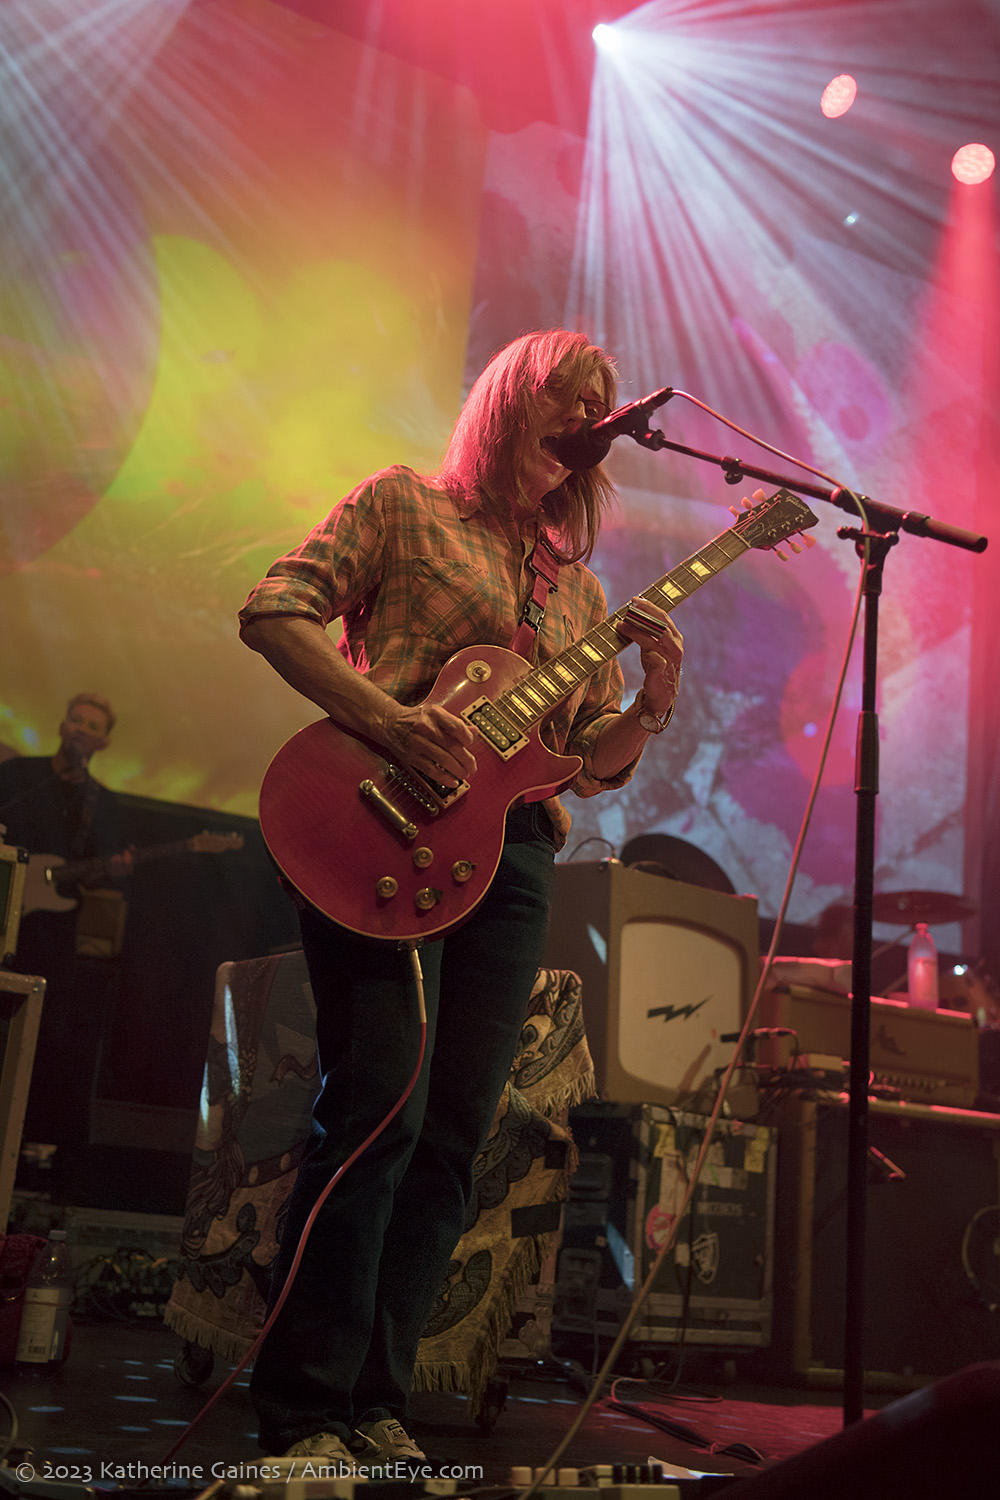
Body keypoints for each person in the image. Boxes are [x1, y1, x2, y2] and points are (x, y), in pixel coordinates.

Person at [238, 329, 684, 1468]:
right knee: (377, 1105)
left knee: (452, 1137)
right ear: (508, 403)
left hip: (515, 859)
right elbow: (274, 609)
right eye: (567, 400)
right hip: (376, 821)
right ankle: (302, 1413)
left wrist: (654, 701)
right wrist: (388, 721)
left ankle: (377, 1398)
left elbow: (585, 763)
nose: (586, 421)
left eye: (600, 411)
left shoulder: (575, 590)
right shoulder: (401, 505)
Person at [0, 694, 131, 1185]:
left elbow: (100, 875)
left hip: (51, 933)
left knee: (42, 1031)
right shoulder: (17, 776)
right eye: (75, 719)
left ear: (103, 742)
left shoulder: (105, 802)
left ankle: (27, 1139)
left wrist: (115, 870)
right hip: (3, 911)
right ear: (61, 725)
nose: (79, 728)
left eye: (91, 724)